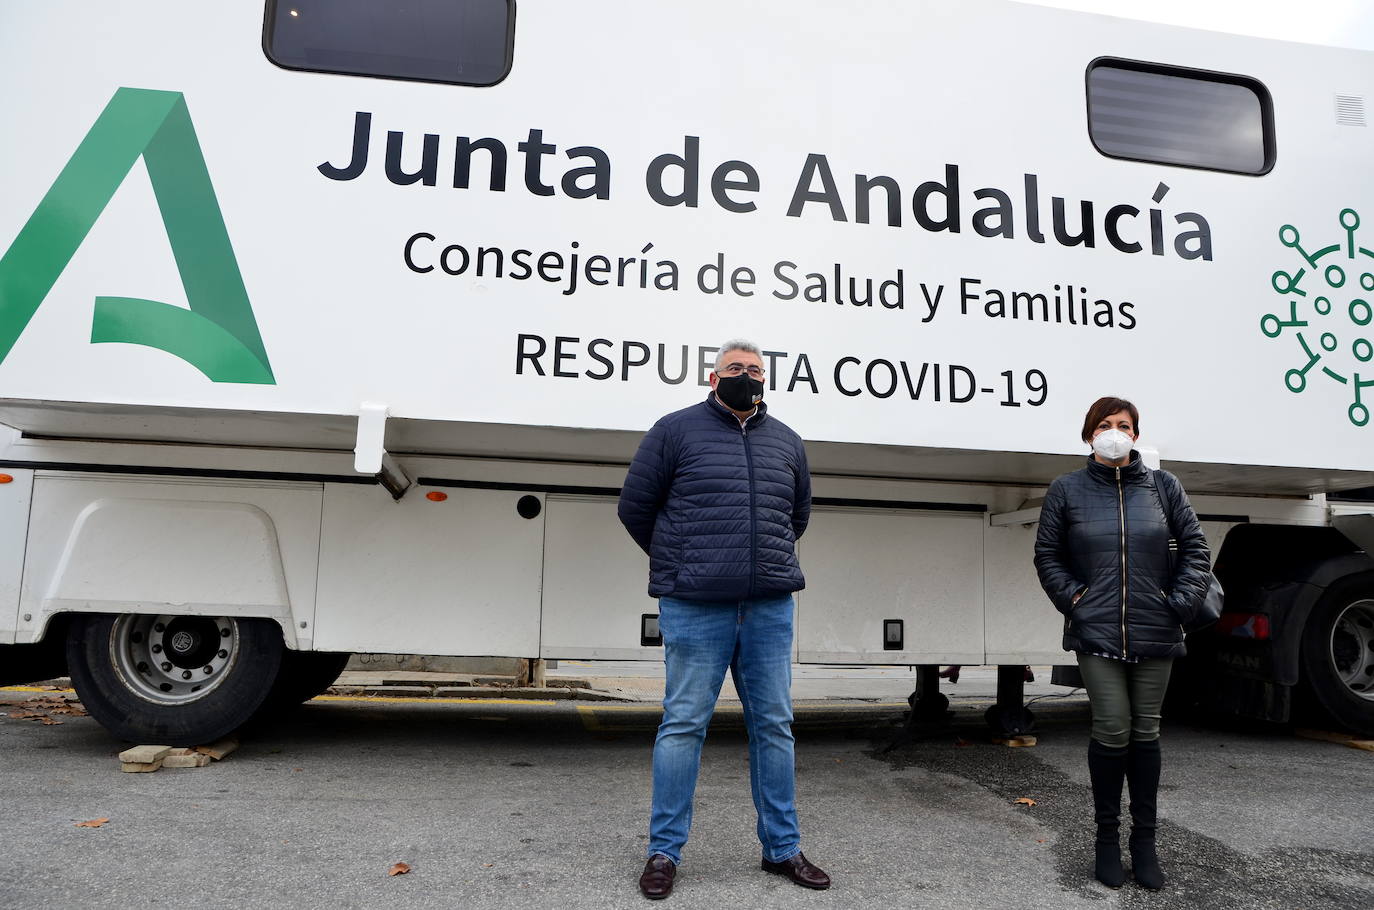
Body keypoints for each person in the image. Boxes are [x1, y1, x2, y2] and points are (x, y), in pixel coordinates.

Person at [618, 338, 828, 900]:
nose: (745, 376)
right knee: (684, 726)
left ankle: (782, 849)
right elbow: (634, 507)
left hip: (767, 606)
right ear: (713, 379)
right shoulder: (675, 429)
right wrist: (680, 563)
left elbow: (796, 515)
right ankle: (664, 852)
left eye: (754, 370)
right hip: (695, 605)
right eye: (734, 368)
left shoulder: (787, 441)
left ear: (767, 381)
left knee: (775, 727)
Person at [1032, 396, 1211, 892]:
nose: (1115, 432)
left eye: (1124, 425)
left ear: (1137, 434)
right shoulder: (1066, 489)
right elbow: (1048, 555)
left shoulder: (1163, 486)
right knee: (1112, 727)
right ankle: (1106, 841)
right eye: (1105, 425)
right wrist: (1077, 600)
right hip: (1097, 631)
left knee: (1146, 732)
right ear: (1089, 435)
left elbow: (1196, 548)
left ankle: (1145, 843)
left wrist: (1178, 604)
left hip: (1157, 629)